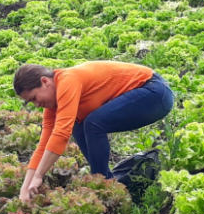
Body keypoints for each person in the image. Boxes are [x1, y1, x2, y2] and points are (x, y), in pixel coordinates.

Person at [13, 61, 174, 202]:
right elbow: (44, 145)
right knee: (79, 123)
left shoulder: (67, 81)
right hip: (147, 96)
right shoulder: (52, 104)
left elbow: (61, 135)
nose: (36, 104)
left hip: (156, 93)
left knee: (93, 123)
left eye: (34, 98)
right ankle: (107, 185)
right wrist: (24, 188)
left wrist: (39, 176)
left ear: (45, 81)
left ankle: (103, 187)